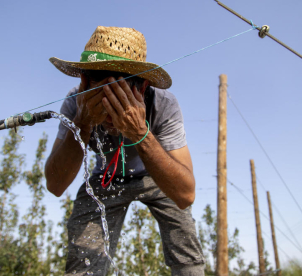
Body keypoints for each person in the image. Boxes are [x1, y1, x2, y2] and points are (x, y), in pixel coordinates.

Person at [45, 26, 204, 276]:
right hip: (105, 177)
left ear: (142, 88)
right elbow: (55, 185)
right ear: (84, 83)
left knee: (184, 238)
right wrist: (83, 123)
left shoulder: (163, 104)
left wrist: (140, 133)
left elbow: (186, 194)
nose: (111, 116)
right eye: (102, 100)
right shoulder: (75, 103)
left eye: (120, 100)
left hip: (155, 175)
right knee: (83, 256)